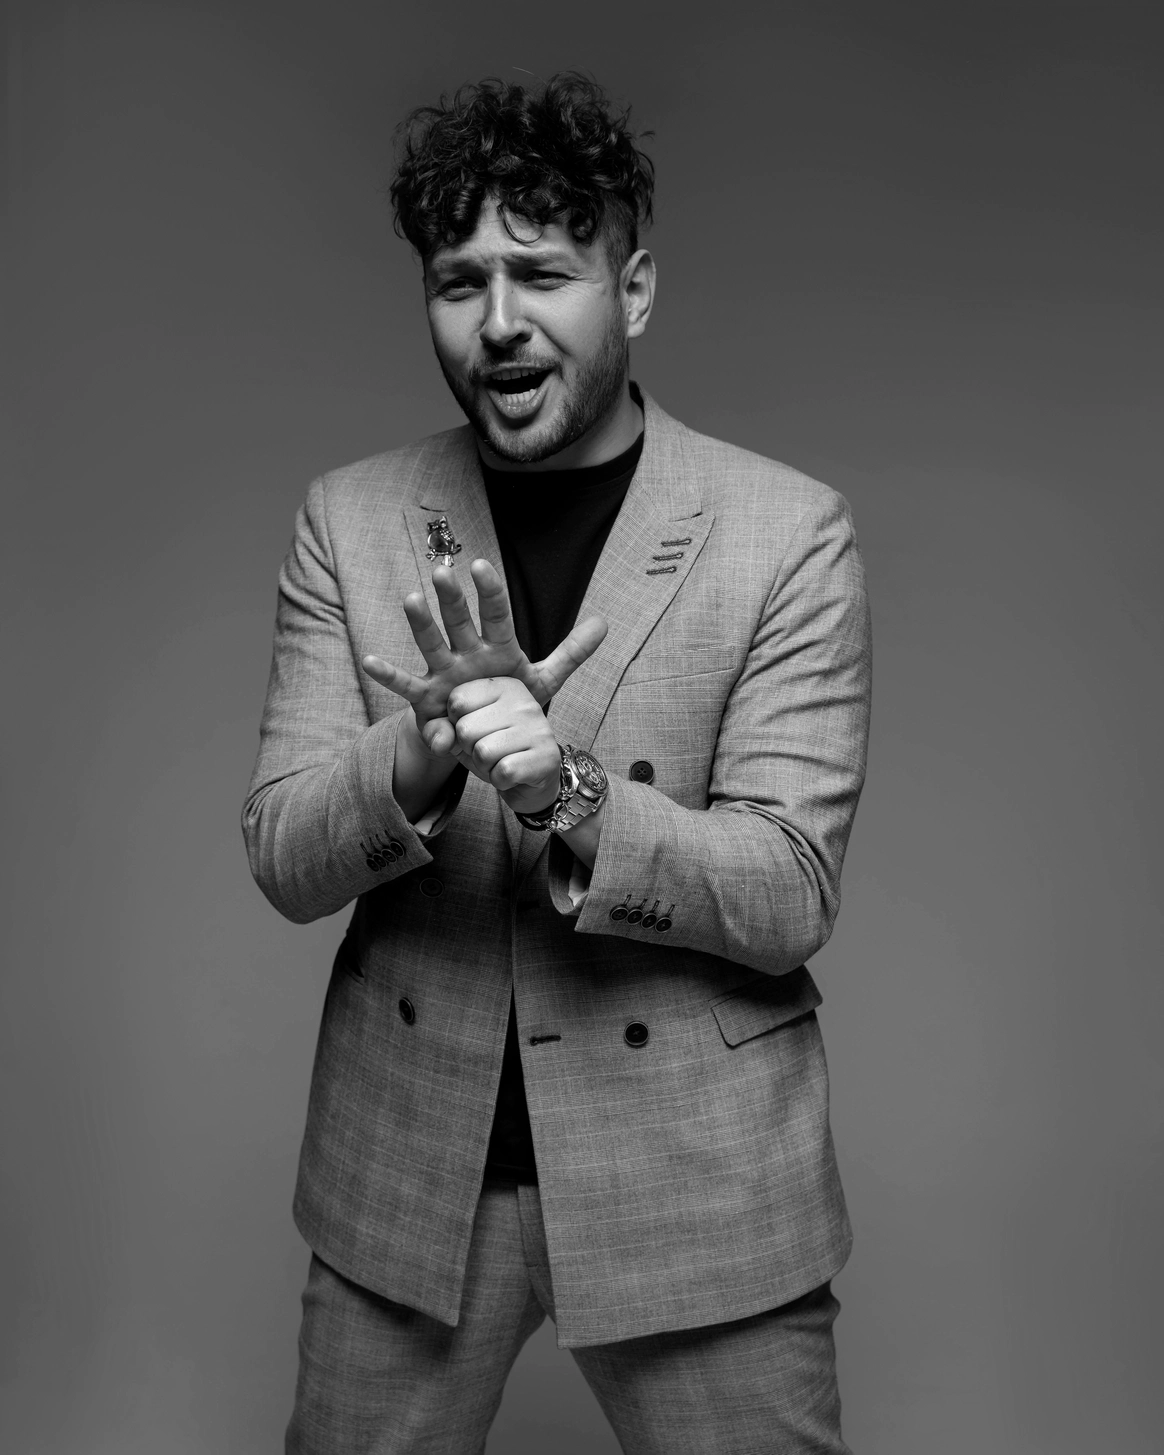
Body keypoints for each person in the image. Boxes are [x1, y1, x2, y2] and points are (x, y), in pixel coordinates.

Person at [243, 72, 871, 1455]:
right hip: (408, 1174)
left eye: (540, 274)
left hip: (695, 1178)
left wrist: (565, 792)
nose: (499, 321)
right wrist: (421, 753)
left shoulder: (785, 534)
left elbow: (789, 891)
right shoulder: (349, 521)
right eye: (459, 282)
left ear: (632, 291)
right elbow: (284, 856)